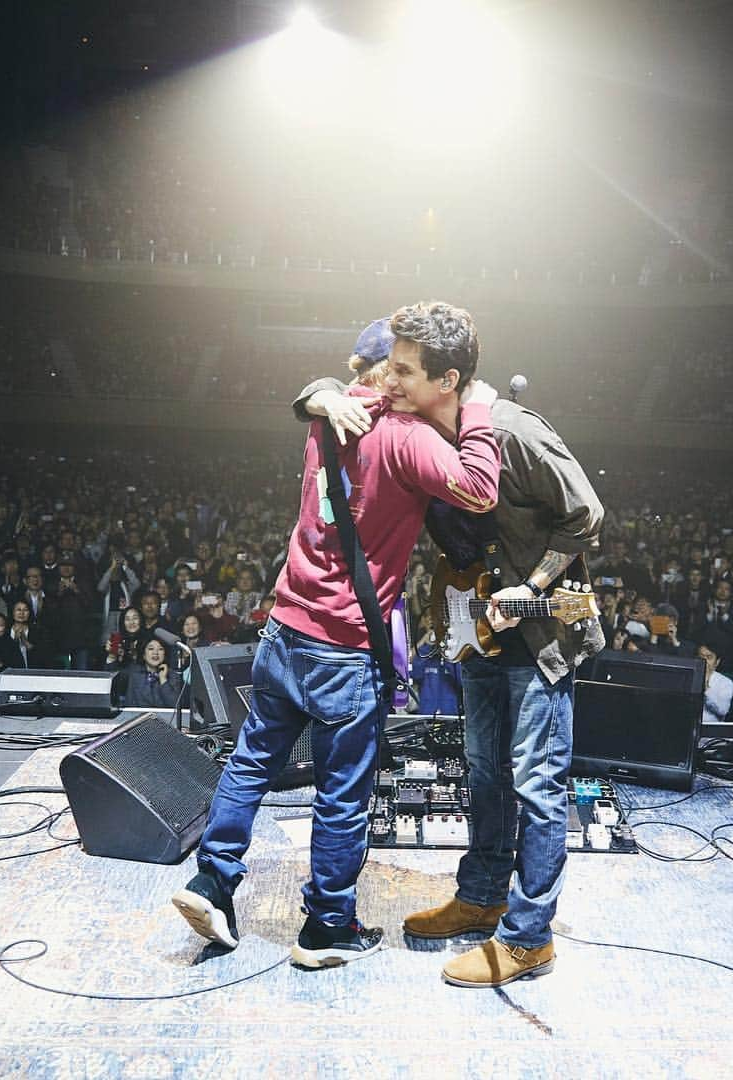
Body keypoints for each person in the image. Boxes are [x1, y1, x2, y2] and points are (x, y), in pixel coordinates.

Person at [172, 302, 500, 971]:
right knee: (342, 793)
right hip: (343, 649)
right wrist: (480, 411)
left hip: (283, 630)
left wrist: (322, 392)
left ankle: (212, 880)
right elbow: (479, 487)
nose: (405, 381)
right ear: (385, 373)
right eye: (400, 368)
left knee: (250, 761)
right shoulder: (405, 436)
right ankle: (326, 928)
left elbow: (321, 395)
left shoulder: (324, 420)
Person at [296, 312, 605, 988]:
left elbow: (587, 516)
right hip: (480, 626)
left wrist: (531, 586)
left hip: (545, 625)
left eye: (405, 371)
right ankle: (484, 896)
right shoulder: (418, 431)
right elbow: (324, 396)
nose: (390, 380)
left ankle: (528, 939)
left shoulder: (512, 432)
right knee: (484, 772)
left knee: (538, 785)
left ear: (448, 380)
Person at [125, 639, 184, 708]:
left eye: (160, 649)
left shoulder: (174, 676)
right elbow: (129, 706)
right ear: (144, 655)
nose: (155, 652)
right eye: (151, 649)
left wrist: (163, 680)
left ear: (164, 655)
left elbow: (176, 706)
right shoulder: (135, 674)